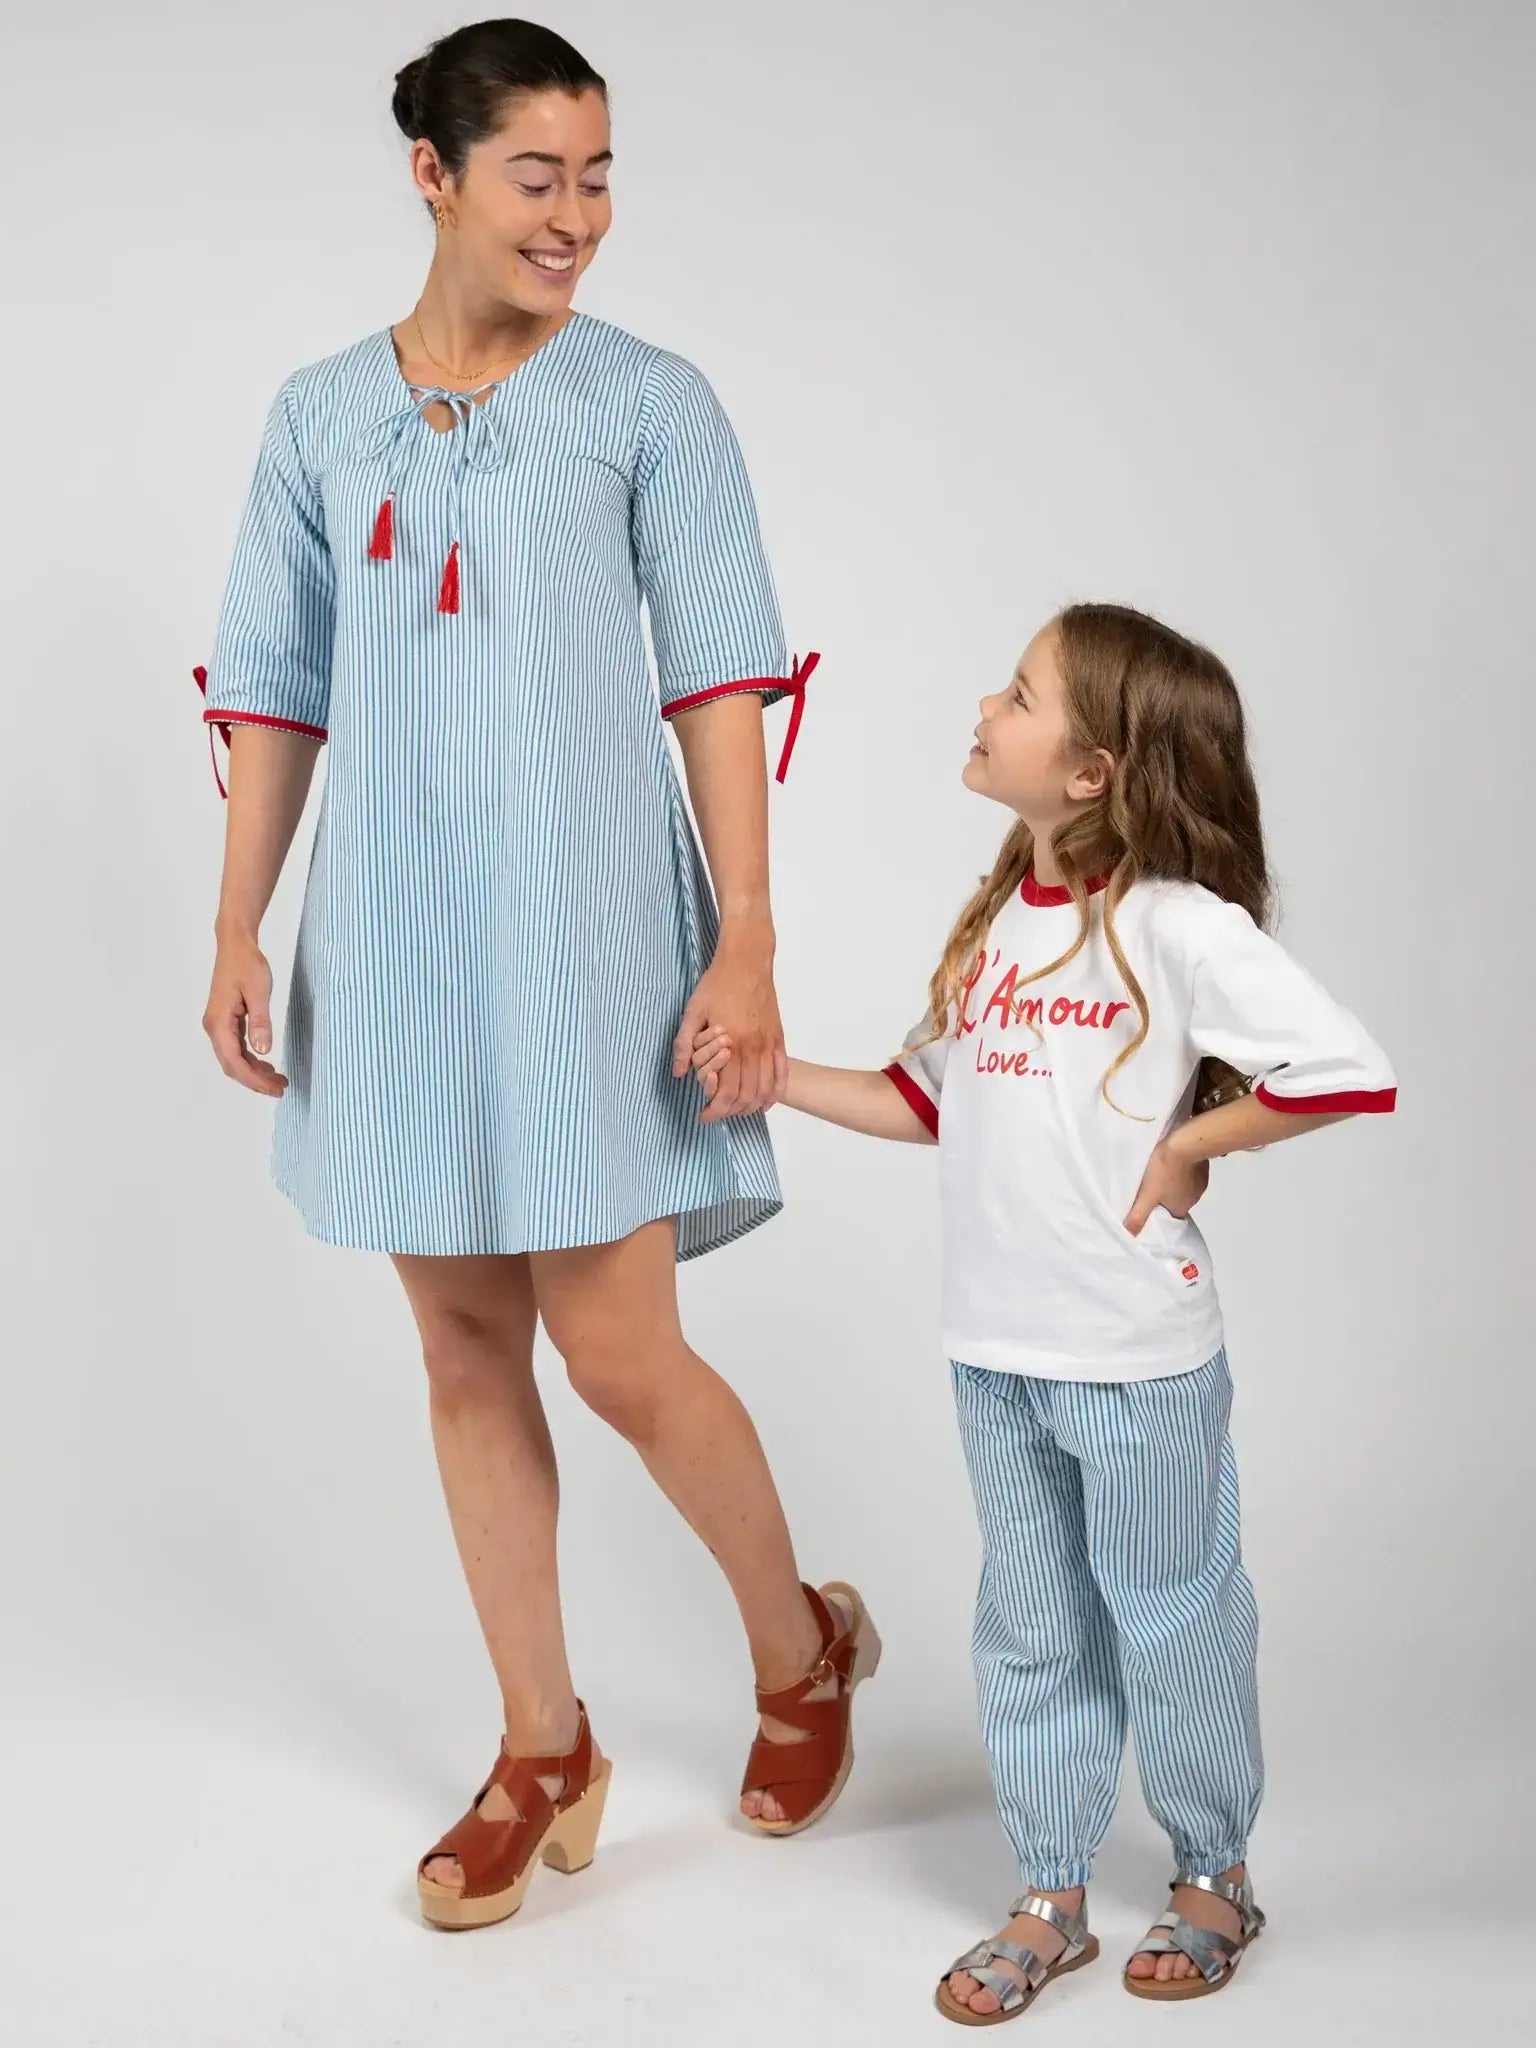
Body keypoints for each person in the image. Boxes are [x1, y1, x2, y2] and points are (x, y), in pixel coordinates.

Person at [196, 17, 876, 1932]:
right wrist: (239, 921)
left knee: (624, 1355)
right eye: (537, 176)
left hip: (593, 937)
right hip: (397, 940)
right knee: (462, 1349)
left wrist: (746, 934)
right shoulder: (318, 414)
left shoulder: (653, 401)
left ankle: (802, 1646)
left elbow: (719, 678)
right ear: (434, 173)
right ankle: (540, 1741)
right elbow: (275, 688)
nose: (578, 215)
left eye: (597, 175)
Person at [691, 602, 1396, 2021]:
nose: (986, 705)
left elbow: (1346, 1071)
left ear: (1092, 771)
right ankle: (1051, 1893)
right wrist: (773, 1080)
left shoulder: (1176, 927)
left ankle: (1213, 1872)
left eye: (1019, 693)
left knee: (1174, 1613)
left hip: (1137, 1363)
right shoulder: (1000, 926)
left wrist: (1192, 1147)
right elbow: (926, 1100)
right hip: (995, 1357)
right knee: (1031, 1625)